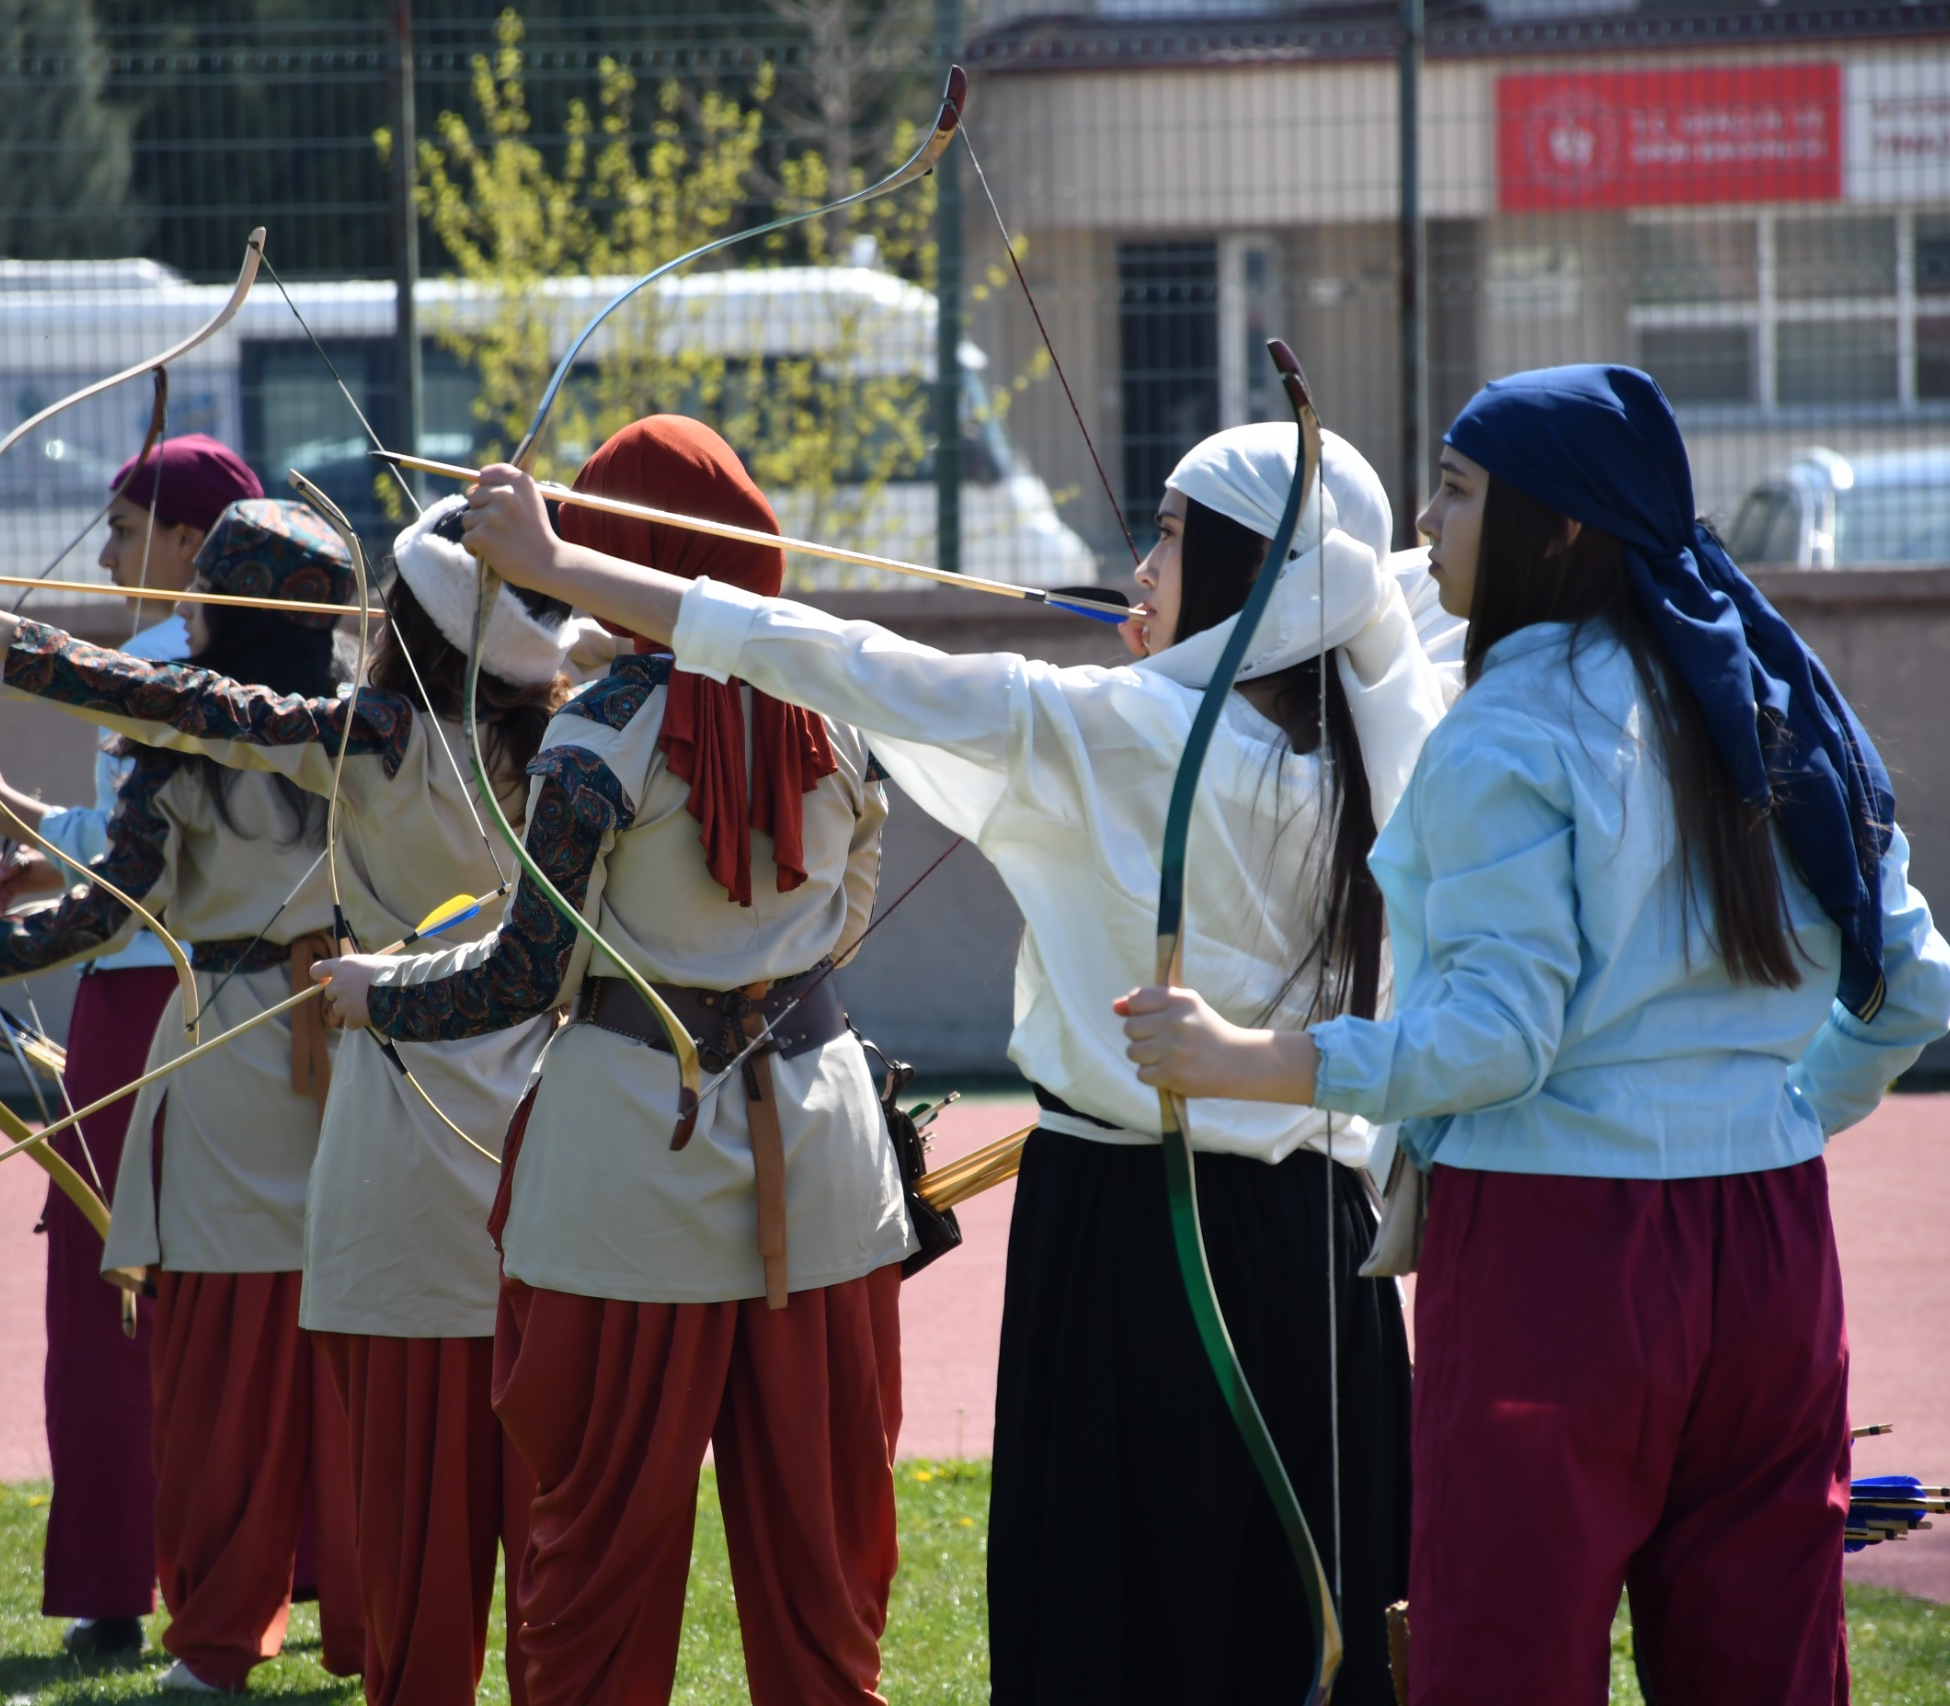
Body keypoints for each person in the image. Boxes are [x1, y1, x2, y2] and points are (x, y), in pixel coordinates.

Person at [454, 417, 1444, 1706]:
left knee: (1122, 1620)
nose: (1141, 567)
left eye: (1171, 539)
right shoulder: (1387, 731)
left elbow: (838, 658)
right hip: (1319, 1246)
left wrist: (559, 563)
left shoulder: (1114, 727)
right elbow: (1385, 591)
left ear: (1258, 574)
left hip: (1134, 1237)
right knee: (1296, 1622)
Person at [1117, 365, 1950, 1705]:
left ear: (1557, 528)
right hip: (1775, 1243)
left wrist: (1247, 1057)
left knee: (1502, 1660)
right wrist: (1773, 1111)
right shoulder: (1774, 699)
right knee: (1769, 1663)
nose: (1424, 527)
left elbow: (1495, 1040)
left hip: (1555, 1257)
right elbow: (1912, 987)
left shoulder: (1508, 726)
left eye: (1455, 492)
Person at [0, 486, 579, 1705]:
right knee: (429, 1399)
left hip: (309, 1077)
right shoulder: (557, 742)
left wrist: (2, 641)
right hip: (467, 1085)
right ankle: (395, 1635)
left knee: (259, 1385)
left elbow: (180, 729)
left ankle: (236, 1636)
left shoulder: (365, 734)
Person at [318, 417, 910, 1706]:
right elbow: (847, 912)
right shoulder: (838, 707)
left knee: (597, 1553)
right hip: (820, 1133)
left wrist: (379, 995)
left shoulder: (597, 732)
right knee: (823, 1552)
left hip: (636, 1155)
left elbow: (523, 972)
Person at [0, 499, 369, 1695]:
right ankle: (372, 1624)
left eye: (205, 601)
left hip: (240, 1069)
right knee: (363, 1359)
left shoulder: (198, 742)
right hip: (362, 1054)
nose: (186, 621)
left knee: (225, 1370)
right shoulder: (379, 732)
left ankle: (223, 1638)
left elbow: (107, 915)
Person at [0, 431, 261, 1662]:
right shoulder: (252, 668)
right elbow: (152, 841)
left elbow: (142, 869)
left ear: (188, 541)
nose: (109, 555)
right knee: (252, 1284)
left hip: (145, 1003)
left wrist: (2, 807)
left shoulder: (167, 662)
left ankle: (119, 1579)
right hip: (237, 1003)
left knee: (112, 1286)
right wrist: (33, 833)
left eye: (126, 530)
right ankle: (293, 1561)